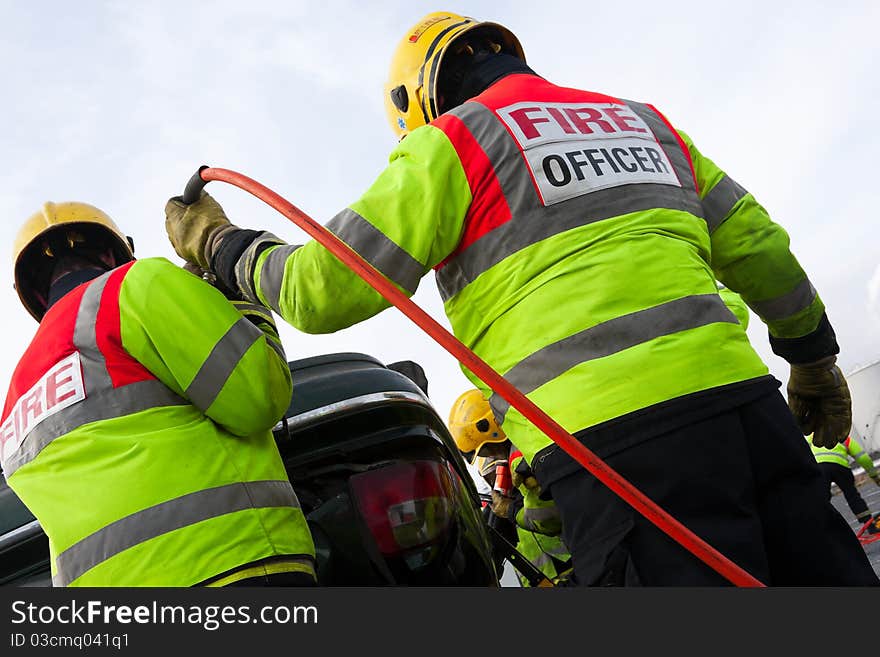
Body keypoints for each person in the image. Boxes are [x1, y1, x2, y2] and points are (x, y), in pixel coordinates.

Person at [164, 11, 878, 585]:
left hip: (614, 448)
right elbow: (758, 247)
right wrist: (812, 358)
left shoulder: (454, 142)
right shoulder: (645, 123)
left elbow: (319, 289)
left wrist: (220, 244)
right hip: (750, 409)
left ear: (419, 103)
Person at [1, 202, 316, 586]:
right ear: (111, 253)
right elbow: (259, 397)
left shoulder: (15, 399)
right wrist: (243, 307)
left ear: (31, 292)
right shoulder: (136, 285)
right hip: (231, 564)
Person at [448, 389, 572, 586]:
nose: (494, 457)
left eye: (487, 450)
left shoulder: (522, 460)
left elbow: (547, 520)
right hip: (546, 579)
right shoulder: (518, 464)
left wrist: (510, 510)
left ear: (495, 428)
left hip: (571, 567)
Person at [807, 433, 880, 534]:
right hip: (841, 467)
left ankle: (825, 532)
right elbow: (863, 458)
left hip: (820, 468)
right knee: (852, 495)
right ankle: (869, 524)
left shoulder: (811, 438)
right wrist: (874, 476)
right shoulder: (843, 437)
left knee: (822, 500)